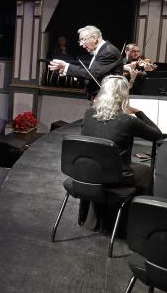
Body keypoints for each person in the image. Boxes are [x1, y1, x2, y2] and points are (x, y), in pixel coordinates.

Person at [81, 76, 163, 229]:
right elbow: (157, 135)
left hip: (88, 172)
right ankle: (138, 223)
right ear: (124, 95)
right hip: (116, 176)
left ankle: (95, 217)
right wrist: (139, 112)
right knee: (145, 172)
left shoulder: (88, 113)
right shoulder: (128, 120)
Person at [48, 25, 123, 98]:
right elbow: (95, 75)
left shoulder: (108, 52)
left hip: (108, 99)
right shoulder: (102, 50)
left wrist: (66, 66)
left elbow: (92, 74)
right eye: (80, 41)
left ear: (94, 38)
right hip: (101, 98)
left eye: (83, 40)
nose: (81, 44)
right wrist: (70, 72)